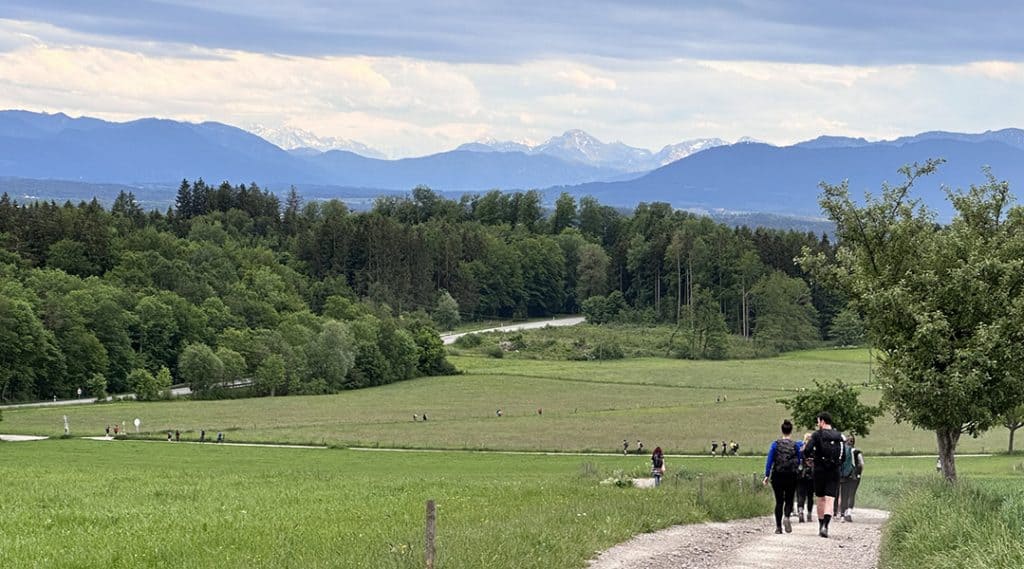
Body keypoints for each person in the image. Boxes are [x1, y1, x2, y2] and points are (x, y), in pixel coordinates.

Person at [802, 412, 845, 538]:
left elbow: (807, 450)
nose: (817, 424)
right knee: (830, 499)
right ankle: (826, 525)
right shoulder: (840, 436)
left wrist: (810, 459)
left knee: (820, 498)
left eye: (818, 421)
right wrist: (836, 464)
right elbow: (843, 457)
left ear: (822, 422)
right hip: (834, 471)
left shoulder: (817, 435)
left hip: (820, 470)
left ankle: (821, 525)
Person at [763, 419, 802, 534]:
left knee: (779, 501)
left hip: (778, 475)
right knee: (789, 499)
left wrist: (766, 475)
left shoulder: (775, 444)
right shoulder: (796, 445)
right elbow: (799, 460)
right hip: (791, 476)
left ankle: (778, 527)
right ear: (791, 431)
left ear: (782, 430)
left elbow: (769, 460)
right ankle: (787, 517)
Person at [837, 435, 863, 522]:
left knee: (844, 494)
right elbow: (861, 464)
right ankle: (849, 513)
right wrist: (858, 472)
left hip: (844, 476)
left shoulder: (842, 451)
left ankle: (842, 515)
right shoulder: (857, 452)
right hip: (854, 476)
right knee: (852, 494)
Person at [796, 432, 815, 523]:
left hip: (800, 475)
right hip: (812, 476)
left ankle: (800, 511)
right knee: (810, 496)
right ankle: (809, 514)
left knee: (800, 495)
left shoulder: (800, 449)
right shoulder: (814, 450)